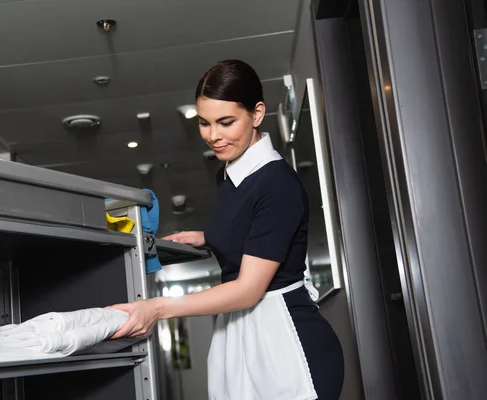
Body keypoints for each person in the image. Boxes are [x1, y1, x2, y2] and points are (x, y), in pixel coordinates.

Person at [109, 59, 344, 399]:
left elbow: (248, 289)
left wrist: (158, 308)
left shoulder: (276, 183)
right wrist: (208, 236)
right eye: (204, 123)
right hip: (242, 332)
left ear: (257, 114)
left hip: (285, 339)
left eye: (226, 122)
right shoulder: (230, 175)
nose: (213, 136)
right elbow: (253, 228)